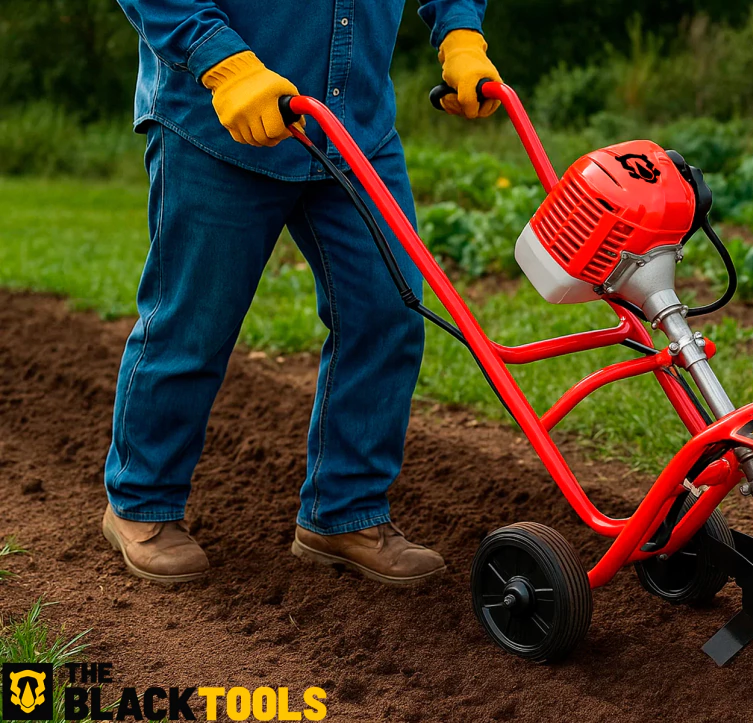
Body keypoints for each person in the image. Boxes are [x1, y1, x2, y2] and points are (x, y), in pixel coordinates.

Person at [101, 0, 502, 585]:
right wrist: (222, 61)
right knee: (193, 324)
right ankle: (141, 504)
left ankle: (345, 513)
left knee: (385, 314)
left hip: (354, 127)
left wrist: (461, 31)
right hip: (221, 121)